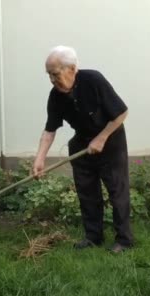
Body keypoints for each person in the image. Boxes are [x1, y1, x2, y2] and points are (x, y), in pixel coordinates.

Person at [32, 45, 134, 253]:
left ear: (72, 68)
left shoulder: (93, 80)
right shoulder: (55, 96)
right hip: (82, 143)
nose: (52, 79)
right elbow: (49, 131)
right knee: (87, 192)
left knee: (117, 191)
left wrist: (101, 138)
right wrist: (39, 159)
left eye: (55, 73)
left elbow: (121, 113)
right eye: (49, 75)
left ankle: (124, 240)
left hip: (111, 140)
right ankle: (93, 237)